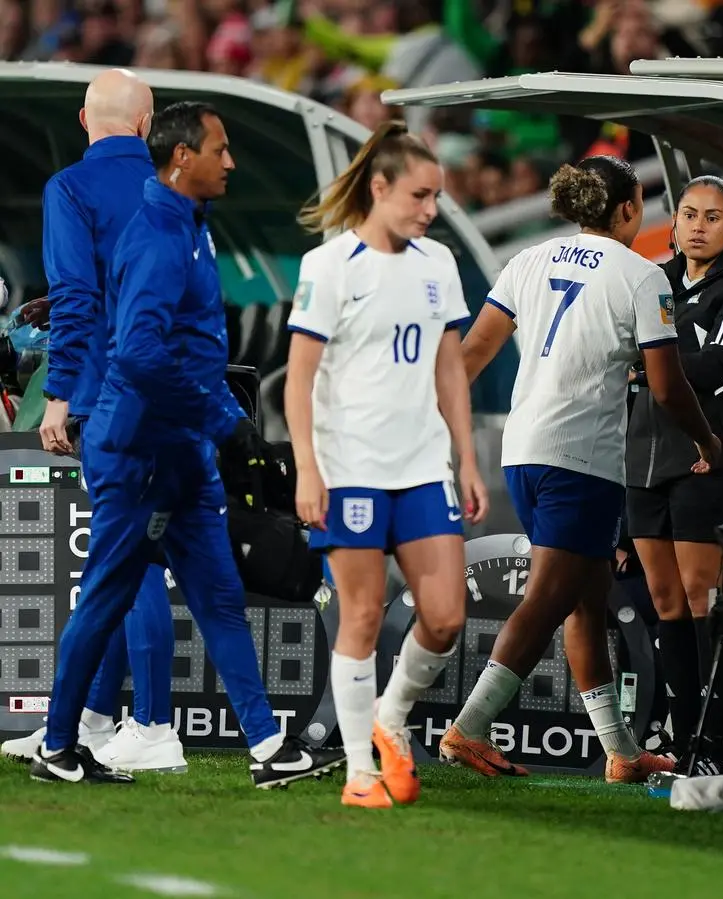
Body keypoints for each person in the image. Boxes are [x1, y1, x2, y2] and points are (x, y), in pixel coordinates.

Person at [30, 101, 343, 788]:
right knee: (109, 593)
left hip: (179, 448)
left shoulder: (190, 226)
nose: (231, 161)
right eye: (220, 149)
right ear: (181, 159)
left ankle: (268, 745)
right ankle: (60, 743)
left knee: (218, 594)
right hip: (140, 448)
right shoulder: (158, 238)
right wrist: (219, 413)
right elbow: (139, 354)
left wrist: (210, 422)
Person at [446, 155, 720, 783]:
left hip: (525, 448)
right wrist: (705, 437)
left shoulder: (528, 260)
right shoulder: (644, 276)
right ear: (628, 210)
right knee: (548, 599)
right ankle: (469, 727)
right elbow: (667, 385)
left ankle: (620, 752)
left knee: (586, 605)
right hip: (582, 458)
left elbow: (472, 354)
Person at [285, 121, 486, 809]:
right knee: (363, 613)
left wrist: (466, 458)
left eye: (436, 197)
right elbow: (299, 377)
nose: (431, 211)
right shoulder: (331, 266)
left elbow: (450, 369)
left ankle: (389, 713)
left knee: (447, 615)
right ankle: (357, 770)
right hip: (353, 469)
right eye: (420, 195)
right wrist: (308, 468)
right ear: (380, 187)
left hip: (424, 466)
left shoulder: (438, 266)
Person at [1, 69, 182, 773]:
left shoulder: (69, 188)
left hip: (108, 397)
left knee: (127, 559)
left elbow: (79, 295)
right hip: (167, 392)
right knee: (119, 551)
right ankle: (98, 716)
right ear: (147, 123)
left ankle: (157, 724)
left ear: (84, 120)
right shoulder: (172, 189)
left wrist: (59, 395)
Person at [624, 175, 723, 774]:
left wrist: (648, 362)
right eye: (689, 215)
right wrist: (645, 363)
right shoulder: (650, 282)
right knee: (664, 600)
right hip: (645, 454)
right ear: (674, 222)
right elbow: (618, 351)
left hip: (710, 456)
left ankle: (715, 742)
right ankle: (685, 743)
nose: (699, 226)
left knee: (700, 597)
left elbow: (710, 369)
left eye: (713, 216)